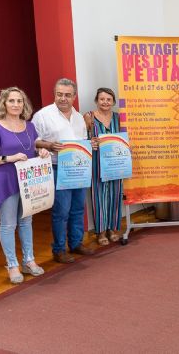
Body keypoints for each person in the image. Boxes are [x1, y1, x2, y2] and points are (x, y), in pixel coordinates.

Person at [0, 87, 50, 284]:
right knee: (8, 224)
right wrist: (9, 158)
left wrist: (42, 152)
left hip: (27, 181)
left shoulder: (30, 126)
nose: (16, 104)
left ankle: (29, 260)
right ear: (3, 103)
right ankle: (12, 265)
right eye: (11, 101)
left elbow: (33, 148)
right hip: (6, 181)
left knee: (26, 222)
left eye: (19, 101)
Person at [33, 78, 95, 263]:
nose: (63, 98)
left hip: (78, 168)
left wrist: (90, 144)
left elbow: (81, 141)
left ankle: (76, 243)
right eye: (59, 94)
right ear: (54, 94)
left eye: (67, 95)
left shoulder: (79, 117)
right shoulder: (42, 115)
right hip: (56, 168)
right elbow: (32, 141)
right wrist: (49, 145)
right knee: (61, 211)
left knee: (78, 208)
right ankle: (59, 249)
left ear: (74, 96)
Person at [83, 88, 123, 246]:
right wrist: (90, 142)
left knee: (115, 194)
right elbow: (82, 138)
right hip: (97, 162)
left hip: (115, 162)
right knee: (98, 196)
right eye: (102, 99)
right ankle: (100, 232)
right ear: (96, 101)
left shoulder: (118, 118)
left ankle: (112, 229)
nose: (105, 102)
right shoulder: (89, 117)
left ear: (113, 102)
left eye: (108, 99)